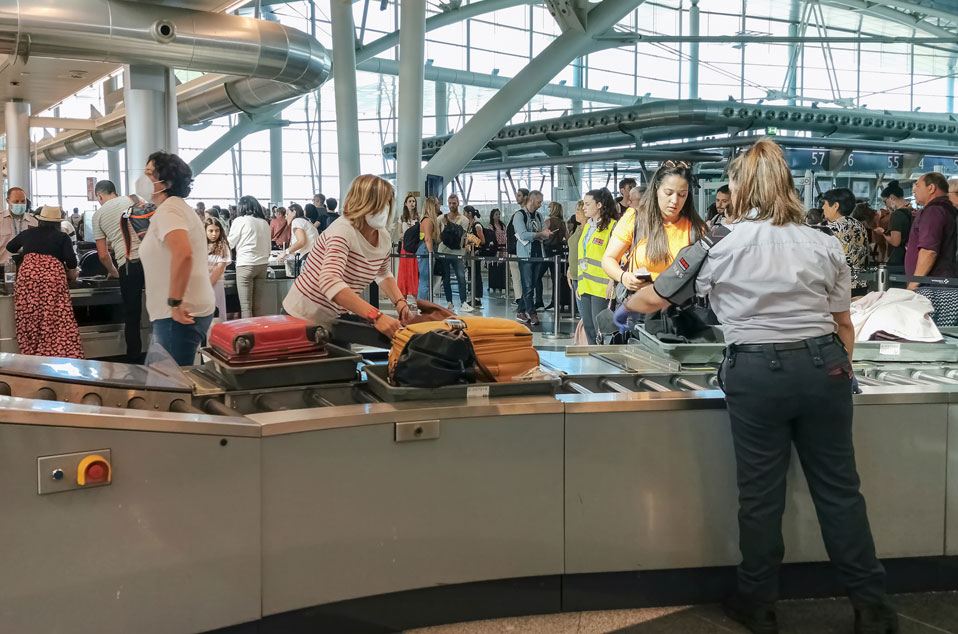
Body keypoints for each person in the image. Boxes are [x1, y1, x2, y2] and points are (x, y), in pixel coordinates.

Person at [625, 139, 897, 634]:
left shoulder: (718, 245)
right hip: (825, 367)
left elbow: (651, 302)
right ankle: (873, 608)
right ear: (788, 185)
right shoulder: (824, 242)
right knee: (840, 493)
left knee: (760, 496)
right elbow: (844, 324)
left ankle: (759, 603)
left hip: (754, 373)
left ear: (740, 187)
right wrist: (839, 374)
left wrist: (627, 294)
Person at [283, 174, 410, 337]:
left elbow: (383, 272)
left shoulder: (383, 236)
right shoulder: (342, 231)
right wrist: (376, 316)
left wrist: (400, 303)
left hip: (336, 318)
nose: (383, 209)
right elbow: (329, 280)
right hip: (303, 317)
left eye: (387, 203)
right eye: (377, 203)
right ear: (361, 203)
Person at [137, 151, 215, 366]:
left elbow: (183, 254)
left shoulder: (169, 210)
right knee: (164, 383)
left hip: (177, 314)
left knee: (168, 388)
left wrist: (175, 302)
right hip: (178, 312)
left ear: (166, 181)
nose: (143, 179)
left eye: (149, 173)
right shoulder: (174, 209)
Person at [601, 161, 706, 293]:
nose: (675, 200)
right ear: (656, 189)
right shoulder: (635, 219)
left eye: (682, 195)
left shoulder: (696, 229)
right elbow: (608, 259)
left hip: (679, 308)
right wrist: (623, 277)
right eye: (668, 193)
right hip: (641, 306)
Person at [6, 205, 83, 359]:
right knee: (55, 318)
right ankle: (56, 354)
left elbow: (10, 247)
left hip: (28, 279)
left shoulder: (28, 233)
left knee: (29, 317)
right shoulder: (62, 237)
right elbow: (72, 263)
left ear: (40, 220)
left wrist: (27, 251)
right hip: (52, 280)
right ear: (58, 223)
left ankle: (31, 355)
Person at [92, 179, 146, 362]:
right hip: (153, 259)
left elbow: (102, 254)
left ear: (99, 196)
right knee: (160, 309)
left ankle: (135, 360)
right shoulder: (136, 198)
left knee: (132, 316)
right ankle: (165, 358)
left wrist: (113, 271)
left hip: (129, 264)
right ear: (114, 191)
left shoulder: (98, 215)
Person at [577, 190, 618, 344]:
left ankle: (603, 358)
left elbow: (618, 257)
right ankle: (593, 356)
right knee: (588, 325)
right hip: (585, 285)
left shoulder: (612, 227)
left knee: (600, 326)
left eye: (587, 204)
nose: (584, 208)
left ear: (599, 205)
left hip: (602, 287)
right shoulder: (587, 226)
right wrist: (580, 283)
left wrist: (612, 281)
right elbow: (584, 256)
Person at [906, 172, 958, 290]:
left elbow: (929, 250)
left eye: (918, 186)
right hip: (938, 283)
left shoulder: (934, 211)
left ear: (931, 188)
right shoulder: (946, 209)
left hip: (932, 287)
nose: (914, 191)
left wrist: (914, 284)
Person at [227, 196, 272, 319]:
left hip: (245, 265)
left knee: (246, 307)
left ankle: (248, 336)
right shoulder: (264, 222)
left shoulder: (240, 221)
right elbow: (269, 246)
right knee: (257, 307)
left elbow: (229, 243)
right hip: (262, 265)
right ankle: (258, 335)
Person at [822, 188, 870, 298]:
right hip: (860, 285)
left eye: (825, 204)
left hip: (838, 287)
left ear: (835, 206)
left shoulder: (829, 228)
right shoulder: (859, 225)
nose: (823, 207)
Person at [513, 190, 551, 325]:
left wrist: (542, 234)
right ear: (532, 200)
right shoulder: (519, 215)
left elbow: (543, 230)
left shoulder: (539, 216)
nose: (540, 205)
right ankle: (532, 312)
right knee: (528, 285)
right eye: (539, 202)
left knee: (532, 284)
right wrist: (540, 234)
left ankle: (520, 310)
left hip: (539, 254)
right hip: (525, 256)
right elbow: (522, 235)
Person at [437, 193, 473, 313]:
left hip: (458, 252)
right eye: (450, 203)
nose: (452, 205)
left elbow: (459, 236)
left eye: (454, 203)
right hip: (444, 252)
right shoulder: (441, 218)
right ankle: (449, 302)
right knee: (446, 278)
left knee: (461, 277)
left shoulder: (464, 220)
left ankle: (463, 302)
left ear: (458, 203)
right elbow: (438, 234)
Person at [874, 182, 911, 278]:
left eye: (885, 201)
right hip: (907, 259)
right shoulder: (909, 212)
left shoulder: (896, 215)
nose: (885, 205)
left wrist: (883, 232)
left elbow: (895, 242)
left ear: (892, 198)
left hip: (897, 259)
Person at [0, 187, 38, 266]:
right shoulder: (1, 220)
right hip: (3, 267)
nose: (20, 204)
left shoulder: (34, 221)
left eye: (23, 201)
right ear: (8, 201)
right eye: (16, 201)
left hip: (27, 269)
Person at [543, 201, 569, 310]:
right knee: (556, 278)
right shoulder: (562, 223)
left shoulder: (548, 222)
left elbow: (543, 235)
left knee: (538, 275)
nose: (548, 210)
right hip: (559, 251)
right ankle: (557, 300)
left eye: (550, 208)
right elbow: (567, 238)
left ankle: (551, 301)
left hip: (547, 250)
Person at [507, 188, 529, 307]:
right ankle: (519, 297)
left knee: (522, 276)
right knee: (516, 276)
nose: (517, 198)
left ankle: (522, 298)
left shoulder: (523, 215)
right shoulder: (517, 214)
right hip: (514, 250)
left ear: (526, 197)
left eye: (519, 195)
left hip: (522, 250)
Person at [206, 218, 231, 322]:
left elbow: (220, 268)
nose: (214, 234)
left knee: (217, 314)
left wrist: (207, 284)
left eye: (217, 231)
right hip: (202, 285)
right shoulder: (200, 245)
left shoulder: (223, 246)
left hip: (216, 284)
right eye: (210, 231)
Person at [416, 196, 441, 301]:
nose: (440, 206)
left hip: (425, 249)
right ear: (433, 206)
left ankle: (426, 303)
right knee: (425, 280)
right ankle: (423, 305)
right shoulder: (428, 220)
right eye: (438, 204)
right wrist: (431, 254)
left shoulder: (428, 220)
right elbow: (427, 238)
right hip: (426, 250)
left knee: (427, 280)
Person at [286, 202, 320, 275]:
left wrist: (285, 252)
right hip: (314, 256)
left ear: (294, 212)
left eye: (287, 214)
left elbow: (301, 242)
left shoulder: (297, 221)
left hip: (307, 257)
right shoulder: (306, 221)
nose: (286, 217)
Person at [398, 193, 420, 303]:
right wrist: (406, 234)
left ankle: (416, 299)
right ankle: (403, 298)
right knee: (404, 272)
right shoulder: (402, 218)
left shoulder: (418, 218)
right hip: (405, 247)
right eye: (410, 201)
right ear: (405, 203)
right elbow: (399, 234)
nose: (412, 203)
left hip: (414, 248)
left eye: (414, 201)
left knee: (414, 271)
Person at [566, 200, 586, 311]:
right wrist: (570, 269)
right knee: (583, 313)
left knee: (585, 315)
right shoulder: (578, 229)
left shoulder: (590, 230)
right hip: (575, 276)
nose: (576, 212)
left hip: (584, 277)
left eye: (579, 210)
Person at [464, 205, 484, 309]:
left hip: (475, 254)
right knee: (472, 275)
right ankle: (473, 296)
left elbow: (482, 240)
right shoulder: (469, 225)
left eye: (465, 213)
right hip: (469, 254)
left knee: (476, 275)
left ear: (469, 213)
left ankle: (477, 297)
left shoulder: (476, 225)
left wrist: (472, 240)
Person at [488, 208, 507, 292]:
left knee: (502, 267)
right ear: (492, 216)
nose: (498, 216)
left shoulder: (503, 225)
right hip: (495, 248)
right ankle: (494, 284)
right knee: (494, 267)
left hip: (503, 248)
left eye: (499, 214)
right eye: (496, 214)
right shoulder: (491, 226)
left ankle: (502, 285)